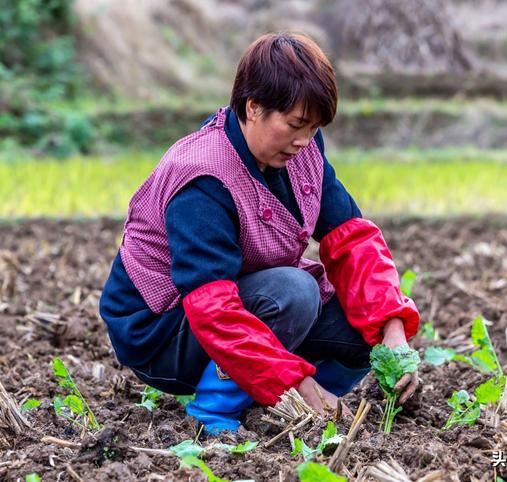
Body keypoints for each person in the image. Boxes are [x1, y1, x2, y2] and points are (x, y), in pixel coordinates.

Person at [99, 32, 420, 434]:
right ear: (253, 108)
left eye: (314, 127)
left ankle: (291, 412)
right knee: (294, 291)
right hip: (162, 331)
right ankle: (215, 415)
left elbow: (352, 239)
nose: (304, 140)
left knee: (363, 325)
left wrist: (392, 332)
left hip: (236, 303)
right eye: (295, 125)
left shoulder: (302, 151)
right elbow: (212, 309)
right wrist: (296, 382)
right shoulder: (203, 177)